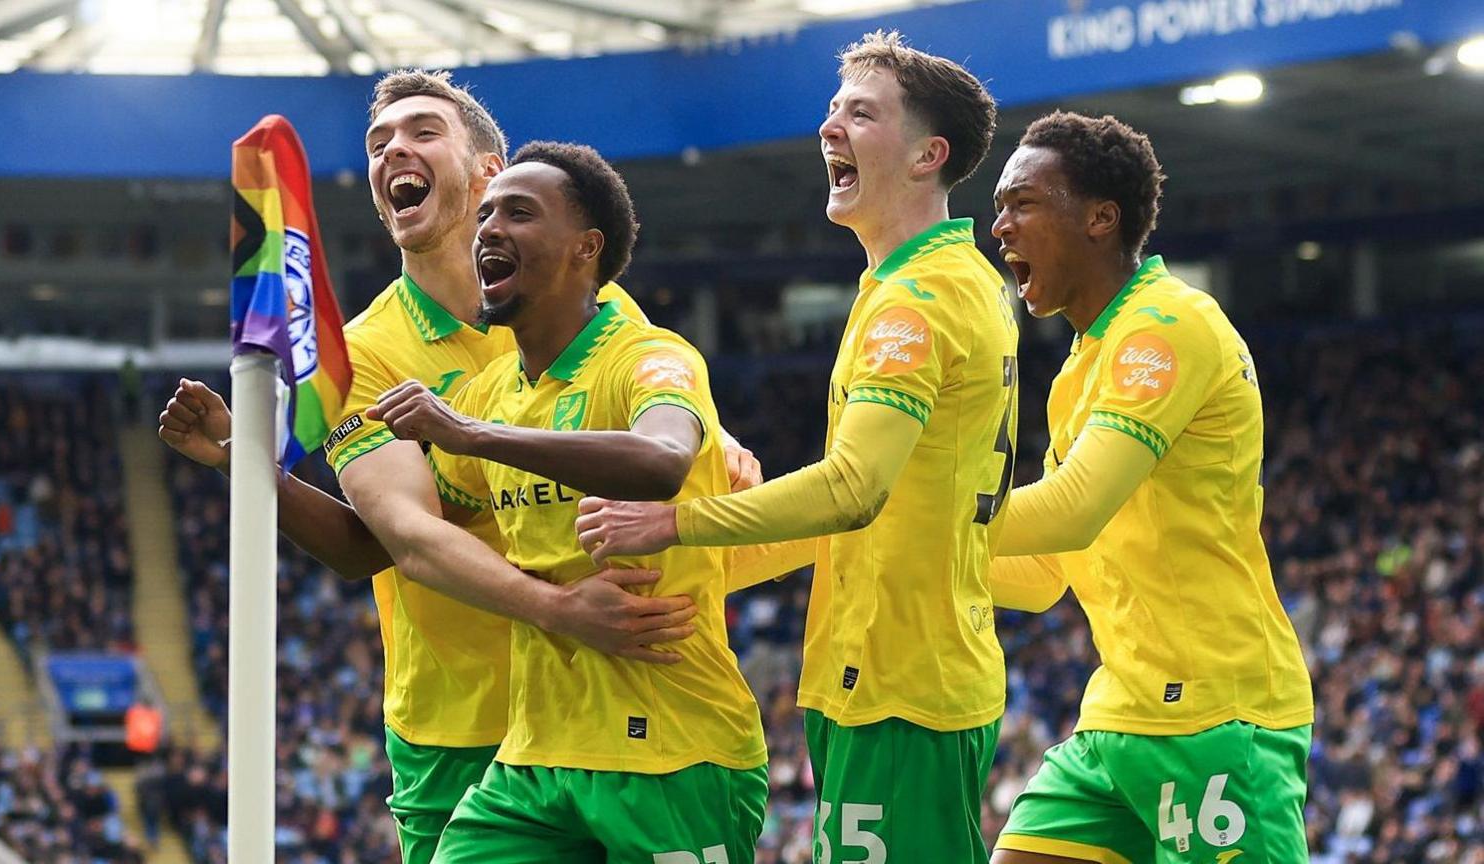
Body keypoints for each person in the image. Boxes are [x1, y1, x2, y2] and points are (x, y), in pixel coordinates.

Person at [156, 69, 759, 864]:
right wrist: (558, 606)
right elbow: (389, 537)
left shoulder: (598, 312)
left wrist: (718, 459)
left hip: (623, 702)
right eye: (378, 145)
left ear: (489, 169)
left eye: (421, 133)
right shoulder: (365, 355)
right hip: (460, 723)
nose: (393, 151)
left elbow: (656, 455)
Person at [574, 30, 1016, 863]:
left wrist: (670, 527)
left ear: (929, 155)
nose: (830, 127)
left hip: (899, 682)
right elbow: (863, 512)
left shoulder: (914, 301)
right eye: (831, 109)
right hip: (903, 671)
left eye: (861, 113)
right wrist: (707, 569)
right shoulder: (939, 282)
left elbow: (852, 490)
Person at [370, 142, 802, 863]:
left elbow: (663, 461)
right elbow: (384, 537)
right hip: (534, 765)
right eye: (485, 216)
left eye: (519, 213)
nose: (488, 231)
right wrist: (245, 465)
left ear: (585, 248)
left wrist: (470, 434)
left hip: (673, 753)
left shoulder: (647, 357)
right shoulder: (492, 394)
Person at [983, 111, 1314, 863]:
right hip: (1120, 716)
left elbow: (1072, 510)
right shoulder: (1078, 366)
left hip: (1216, 713)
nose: (999, 226)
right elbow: (1040, 576)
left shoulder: (1168, 326)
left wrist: (916, 511)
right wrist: (872, 538)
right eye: (1000, 206)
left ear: (1101, 218)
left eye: (1023, 202)